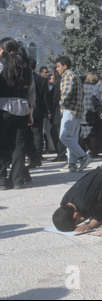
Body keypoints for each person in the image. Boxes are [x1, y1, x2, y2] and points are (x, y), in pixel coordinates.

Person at [52, 164, 102, 233]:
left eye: (77, 222)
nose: (80, 221)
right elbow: (85, 212)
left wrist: (89, 225)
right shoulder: (64, 202)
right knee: (94, 214)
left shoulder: (84, 204)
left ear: (75, 215)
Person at [0, 38, 35, 190]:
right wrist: (31, 111)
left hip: (3, 107)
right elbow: (31, 92)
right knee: (19, 145)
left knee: (1, 145)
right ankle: (17, 180)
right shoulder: (26, 67)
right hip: (22, 108)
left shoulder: (1, 66)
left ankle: (2, 180)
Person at [55, 56, 91, 173]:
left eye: (58, 66)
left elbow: (66, 91)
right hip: (77, 110)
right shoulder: (75, 75)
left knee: (64, 136)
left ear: (65, 66)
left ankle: (83, 157)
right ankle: (72, 164)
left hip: (69, 109)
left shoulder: (67, 75)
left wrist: (61, 102)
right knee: (72, 139)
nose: (57, 69)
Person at [80, 72, 100, 156]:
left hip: (82, 113)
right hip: (92, 113)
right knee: (92, 135)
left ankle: (81, 151)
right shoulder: (95, 88)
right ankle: (94, 151)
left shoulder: (81, 87)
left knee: (81, 134)